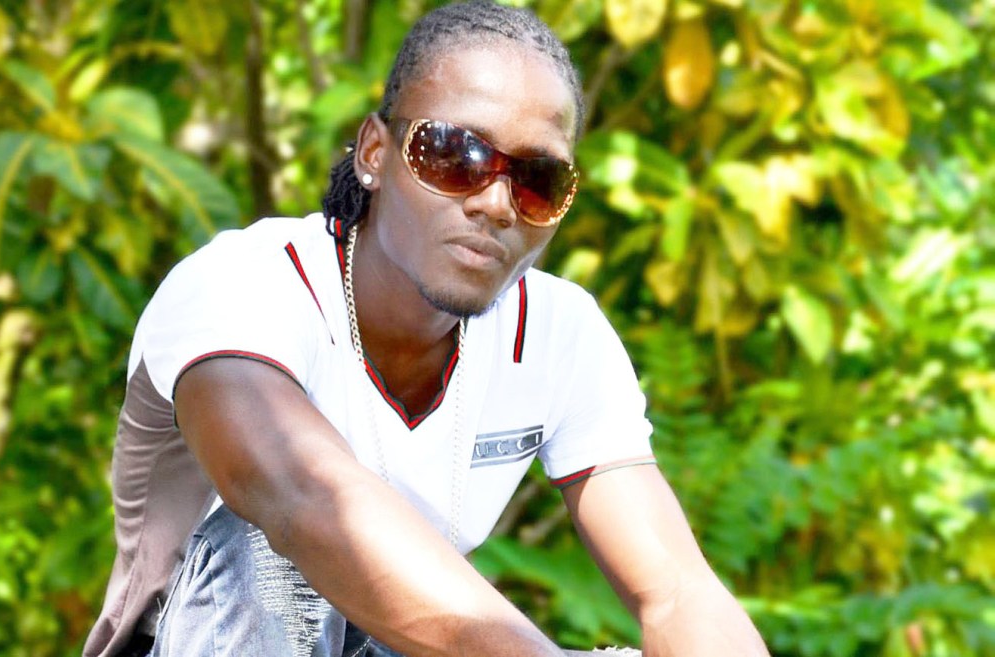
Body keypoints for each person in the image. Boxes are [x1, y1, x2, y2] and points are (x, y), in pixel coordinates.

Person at [84, 2, 771, 656]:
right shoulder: (243, 286)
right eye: (454, 154)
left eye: (537, 179)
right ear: (373, 152)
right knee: (274, 550)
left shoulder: (559, 333)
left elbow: (676, 591)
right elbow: (303, 500)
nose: (496, 204)